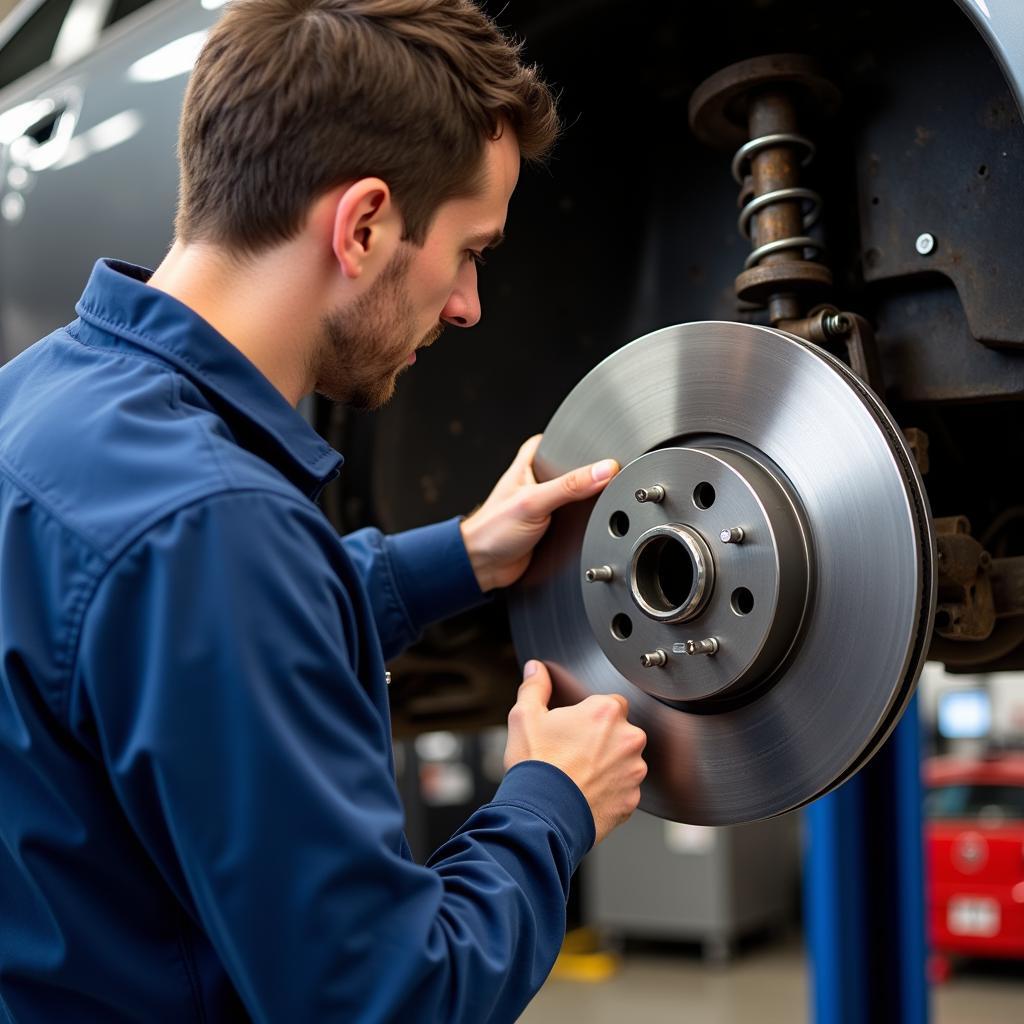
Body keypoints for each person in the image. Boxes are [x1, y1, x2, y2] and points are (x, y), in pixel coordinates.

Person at [0, 1, 648, 1021]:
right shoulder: (212, 529)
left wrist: (460, 554)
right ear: (364, 225)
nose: (469, 304)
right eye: (469, 251)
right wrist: (548, 802)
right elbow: (385, 996)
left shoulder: (36, 404)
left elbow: (155, 643)